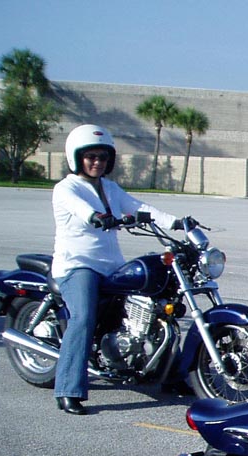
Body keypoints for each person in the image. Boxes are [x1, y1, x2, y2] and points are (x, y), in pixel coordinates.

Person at [51, 124, 182, 415]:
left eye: (102, 157)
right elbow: (79, 209)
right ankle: (68, 389)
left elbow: (138, 207)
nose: (97, 162)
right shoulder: (66, 188)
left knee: (157, 304)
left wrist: (176, 222)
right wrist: (97, 216)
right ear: (76, 158)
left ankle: (172, 373)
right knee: (83, 318)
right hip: (78, 265)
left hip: (111, 266)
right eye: (90, 156)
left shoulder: (110, 188)